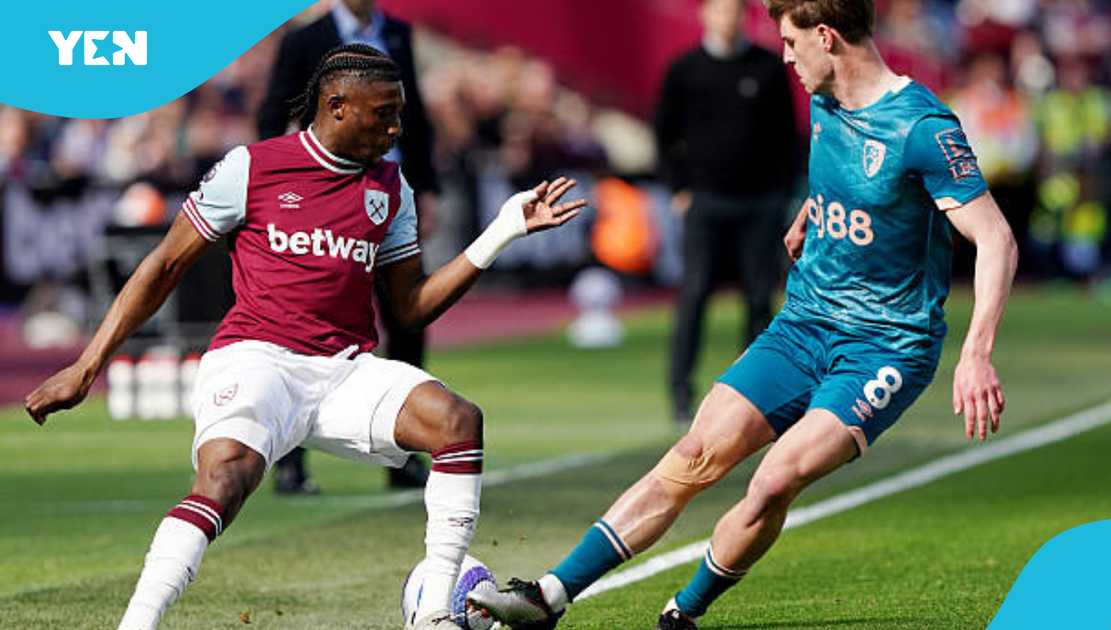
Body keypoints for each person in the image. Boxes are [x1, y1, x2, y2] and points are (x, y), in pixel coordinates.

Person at [469, 1, 1018, 628]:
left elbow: (996, 238)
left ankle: (684, 611)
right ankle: (547, 597)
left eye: (790, 41)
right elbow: (855, 184)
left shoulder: (922, 127)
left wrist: (976, 353)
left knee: (775, 478)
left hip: (884, 346)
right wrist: (813, 214)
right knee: (696, 451)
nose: (784, 56)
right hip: (804, 323)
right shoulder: (825, 100)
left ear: (825, 37)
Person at [24, 44, 586, 630]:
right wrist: (86, 367)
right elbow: (163, 265)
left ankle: (434, 616)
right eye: (383, 114)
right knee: (225, 477)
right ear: (337, 105)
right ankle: (136, 624)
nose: (395, 128)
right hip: (256, 359)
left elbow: (410, 309)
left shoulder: (392, 188)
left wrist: (500, 233)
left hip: (344, 370)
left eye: (399, 115)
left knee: (457, 421)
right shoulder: (251, 168)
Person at [258, 0, 440, 493]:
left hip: (390, 191)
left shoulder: (397, 33)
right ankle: (290, 458)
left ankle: (402, 450)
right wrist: (279, 186)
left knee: (406, 317)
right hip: (326, 196)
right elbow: (274, 113)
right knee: (306, 323)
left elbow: (417, 115)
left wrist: (427, 188)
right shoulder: (305, 39)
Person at [655, 0, 798, 427]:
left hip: (760, 203)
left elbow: (786, 134)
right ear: (705, 15)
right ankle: (681, 393)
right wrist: (679, 188)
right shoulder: (685, 69)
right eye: (720, 10)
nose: (728, 19)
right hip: (705, 201)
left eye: (734, 11)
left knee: (758, 299)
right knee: (694, 294)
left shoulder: (768, 67)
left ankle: (756, 393)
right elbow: (664, 132)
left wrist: (781, 192)